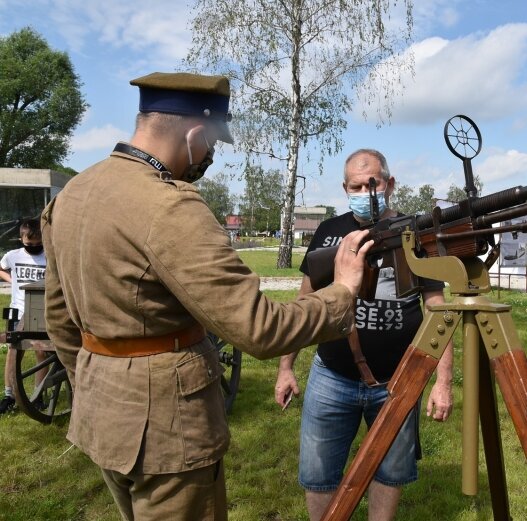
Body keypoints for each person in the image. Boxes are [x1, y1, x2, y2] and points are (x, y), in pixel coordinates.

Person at [41, 72, 373, 521]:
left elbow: (60, 318)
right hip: (167, 431)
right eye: (214, 143)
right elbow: (260, 329)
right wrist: (343, 291)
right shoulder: (170, 205)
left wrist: (97, 384)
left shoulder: (74, 193)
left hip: (103, 416)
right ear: (196, 132)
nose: (212, 156)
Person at [274, 149, 454, 521]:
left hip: (398, 379)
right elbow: (304, 301)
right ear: (344, 187)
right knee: (318, 475)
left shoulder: (414, 233)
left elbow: (438, 310)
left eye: (370, 183)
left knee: (389, 472)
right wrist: (285, 368)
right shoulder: (327, 233)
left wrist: (443, 382)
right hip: (331, 375)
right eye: (354, 185)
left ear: (389, 184)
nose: (363, 191)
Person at [0, 219, 47, 414]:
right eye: (30, 244)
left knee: (42, 352)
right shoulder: (13, 255)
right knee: (13, 353)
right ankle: (9, 395)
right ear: (21, 239)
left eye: (38, 244)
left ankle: (38, 395)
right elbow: (1, 268)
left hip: (41, 310)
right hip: (18, 310)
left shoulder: (49, 256)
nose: (34, 247)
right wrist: (12, 280)